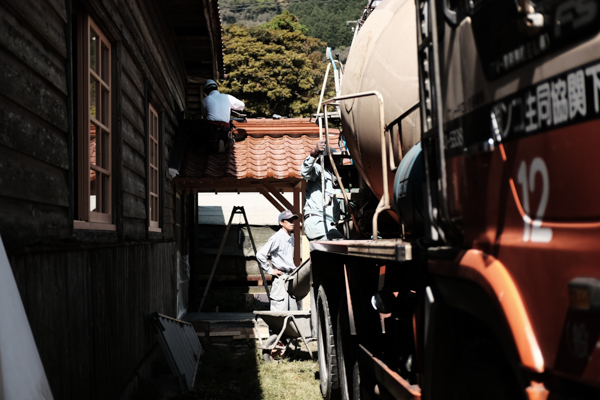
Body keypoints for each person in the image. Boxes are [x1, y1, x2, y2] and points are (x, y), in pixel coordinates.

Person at [256, 210, 299, 311]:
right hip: (281, 278)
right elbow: (260, 254)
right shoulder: (277, 237)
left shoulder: (291, 237)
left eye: (293, 220)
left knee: (293, 313)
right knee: (279, 313)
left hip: (290, 277)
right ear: (281, 222)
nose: (292, 223)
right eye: (288, 220)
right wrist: (270, 270)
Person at [301, 140, 345, 241]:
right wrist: (315, 152)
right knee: (342, 245)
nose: (339, 164)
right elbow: (304, 172)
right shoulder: (319, 170)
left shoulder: (335, 182)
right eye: (337, 161)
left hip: (328, 224)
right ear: (329, 161)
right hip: (317, 221)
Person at [201, 79, 245, 152]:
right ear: (216, 88)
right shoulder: (227, 97)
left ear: (206, 91)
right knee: (226, 133)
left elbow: (205, 118)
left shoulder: (205, 100)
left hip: (210, 129)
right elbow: (242, 105)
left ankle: (216, 143)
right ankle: (224, 141)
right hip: (224, 127)